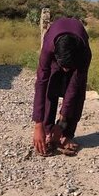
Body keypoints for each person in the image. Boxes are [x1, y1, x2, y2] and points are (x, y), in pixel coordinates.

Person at [32, 17, 91, 156]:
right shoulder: (48, 49)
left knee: (78, 93)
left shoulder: (84, 53)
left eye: (68, 67)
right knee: (49, 88)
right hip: (55, 47)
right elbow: (41, 83)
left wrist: (62, 122)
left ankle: (66, 134)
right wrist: (38, 124)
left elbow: (73, 88)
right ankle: (47, 132)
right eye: (63, 66)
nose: (65, 70)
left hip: (78, 53)